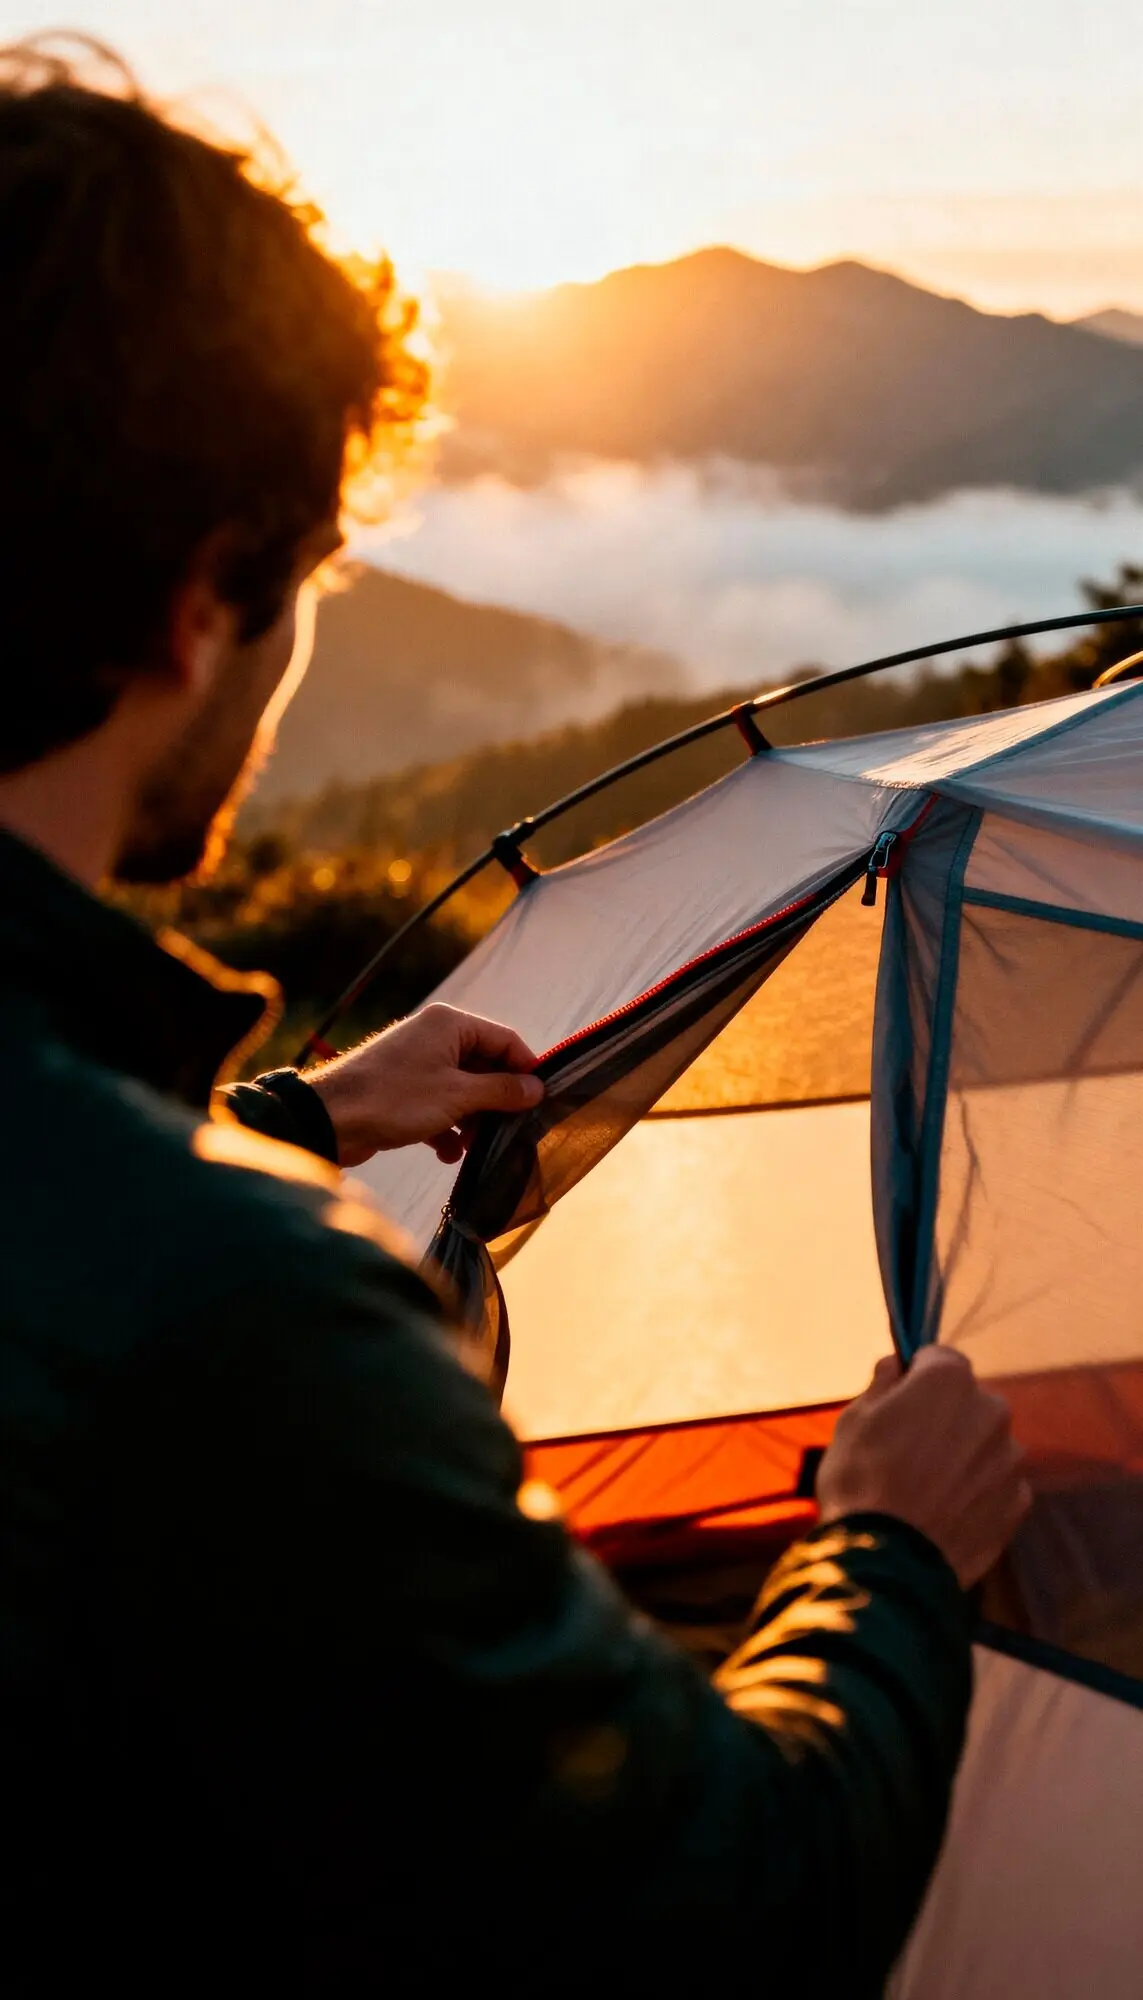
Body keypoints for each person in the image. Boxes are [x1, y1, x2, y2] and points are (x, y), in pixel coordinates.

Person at [0, 37, 1030, 1997]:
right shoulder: (245, 1326)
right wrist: (889, 1552)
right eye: (311, 577)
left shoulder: (155, 1241)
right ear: (204, 600)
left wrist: (307, 1116)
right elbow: (732, 1912)